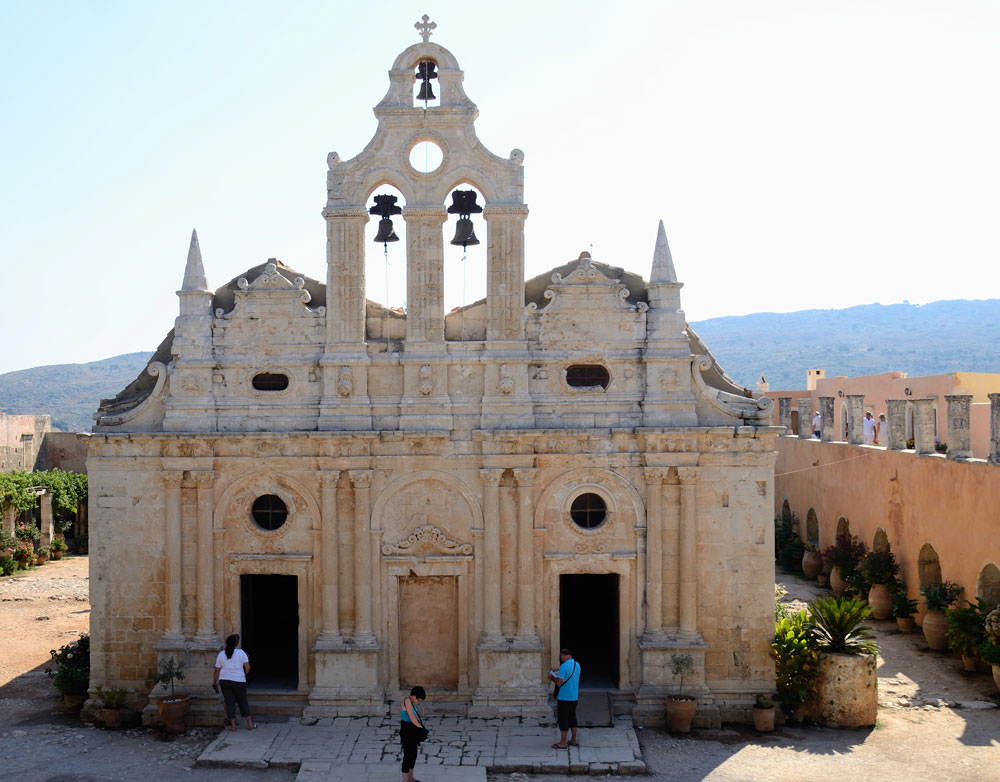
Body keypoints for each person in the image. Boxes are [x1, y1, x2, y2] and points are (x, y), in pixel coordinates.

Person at [212, 633, 255, 731]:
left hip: (225, 681)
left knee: (230, 703)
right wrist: (243, 676)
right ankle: (250, 725)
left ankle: (233, 727)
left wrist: (214, 682)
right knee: (243, 702)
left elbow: (217, 670)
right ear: (236, 643)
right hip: (239, 681)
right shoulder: (241, 653)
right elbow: (248, 667)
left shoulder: (221, 654)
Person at [548, 648, 581, 749]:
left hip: (564, 697)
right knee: (572, 718)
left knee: (563, 719)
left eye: (561, 656)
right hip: (574, 696)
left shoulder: (564, 666)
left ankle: (563, 742)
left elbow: (558, 682)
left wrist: (551, 677)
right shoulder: (577, 664)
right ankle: (574, 740)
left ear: (565, 656)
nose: (561, 658)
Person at [399, 686, 427, 782]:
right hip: (407, 731)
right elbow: (411, 717)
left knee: (413, 754)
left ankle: (411, 778)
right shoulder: (407, 700)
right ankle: (405, 780)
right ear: (413, 696)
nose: (418, 701)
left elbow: (415, 717)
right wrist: (420, 728)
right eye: (418, 699)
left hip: (412, 731)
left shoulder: (411, 702)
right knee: (408, 755)